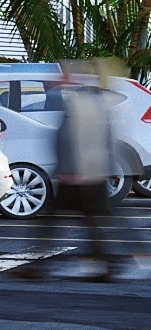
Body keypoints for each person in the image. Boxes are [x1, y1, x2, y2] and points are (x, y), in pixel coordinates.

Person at [24, 61, 136, 282]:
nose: (56, 78)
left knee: (60, 219)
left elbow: (78, 137)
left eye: (62, 74)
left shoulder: (81, 101)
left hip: (80, 175)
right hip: (87, 173)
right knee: (93, 220)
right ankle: (104, 266)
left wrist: (70, 170)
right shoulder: (87, 99)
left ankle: (39, 266)